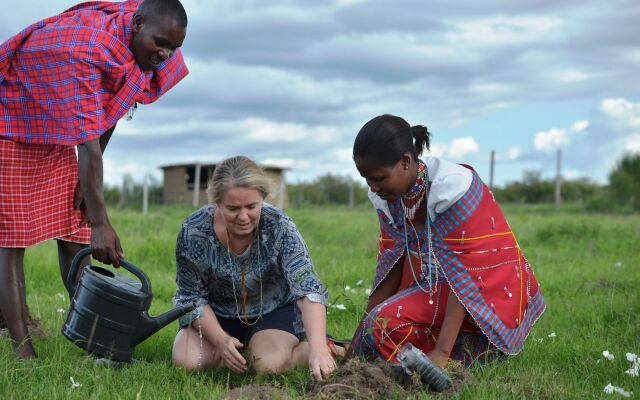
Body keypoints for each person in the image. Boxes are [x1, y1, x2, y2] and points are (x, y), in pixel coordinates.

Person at [0, 0, 189, 359]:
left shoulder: (147, 42)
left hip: (55, 123)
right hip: (10, 120)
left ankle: (95, 338)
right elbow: (87, 142)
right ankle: (22, 350)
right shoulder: (85, 52)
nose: (165, 53)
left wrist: (90, 195)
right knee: (12, 239)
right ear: (136, 25)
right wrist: (101, 222)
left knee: (73, 232)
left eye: (174, 47)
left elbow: (111, 107)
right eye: (161, 43)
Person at [348, 114, 546, 368]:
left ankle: (468, 352)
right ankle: (453, 356)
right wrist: (355, 347)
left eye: (378, 178)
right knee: (382, 324)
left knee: (384, 321)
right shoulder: (388, 198)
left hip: (487, 290)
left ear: (406, 162)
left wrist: (441, 352)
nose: (373, 187)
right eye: (367, 179)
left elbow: (465, 277)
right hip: (434, 289)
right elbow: (390, 268)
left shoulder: (452, 189)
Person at [171, 156, 341, 380]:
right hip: (217, 314)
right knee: (189, 362)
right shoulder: (193, 231)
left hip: (272, 311)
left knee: (268, 365)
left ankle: (323, 349)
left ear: (263, 198)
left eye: (252, 206)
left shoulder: (280, 226)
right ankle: (233, 351)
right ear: (217, 203)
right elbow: (190, 297)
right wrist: (221, 341)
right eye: (232, 208)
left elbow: (307, 287)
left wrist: (318, 349)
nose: (243, 217)